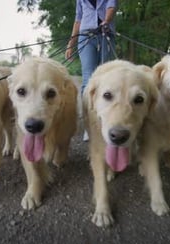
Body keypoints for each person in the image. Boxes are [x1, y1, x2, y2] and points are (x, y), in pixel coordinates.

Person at [65, 0, 118, 141]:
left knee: (106, 77)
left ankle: (105, 119)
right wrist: (71, 44)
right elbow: (78, 19)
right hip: (85, 36)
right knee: (88, 77)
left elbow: (111, 7)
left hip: (105, 33)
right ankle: (89, 123)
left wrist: (106, 21)